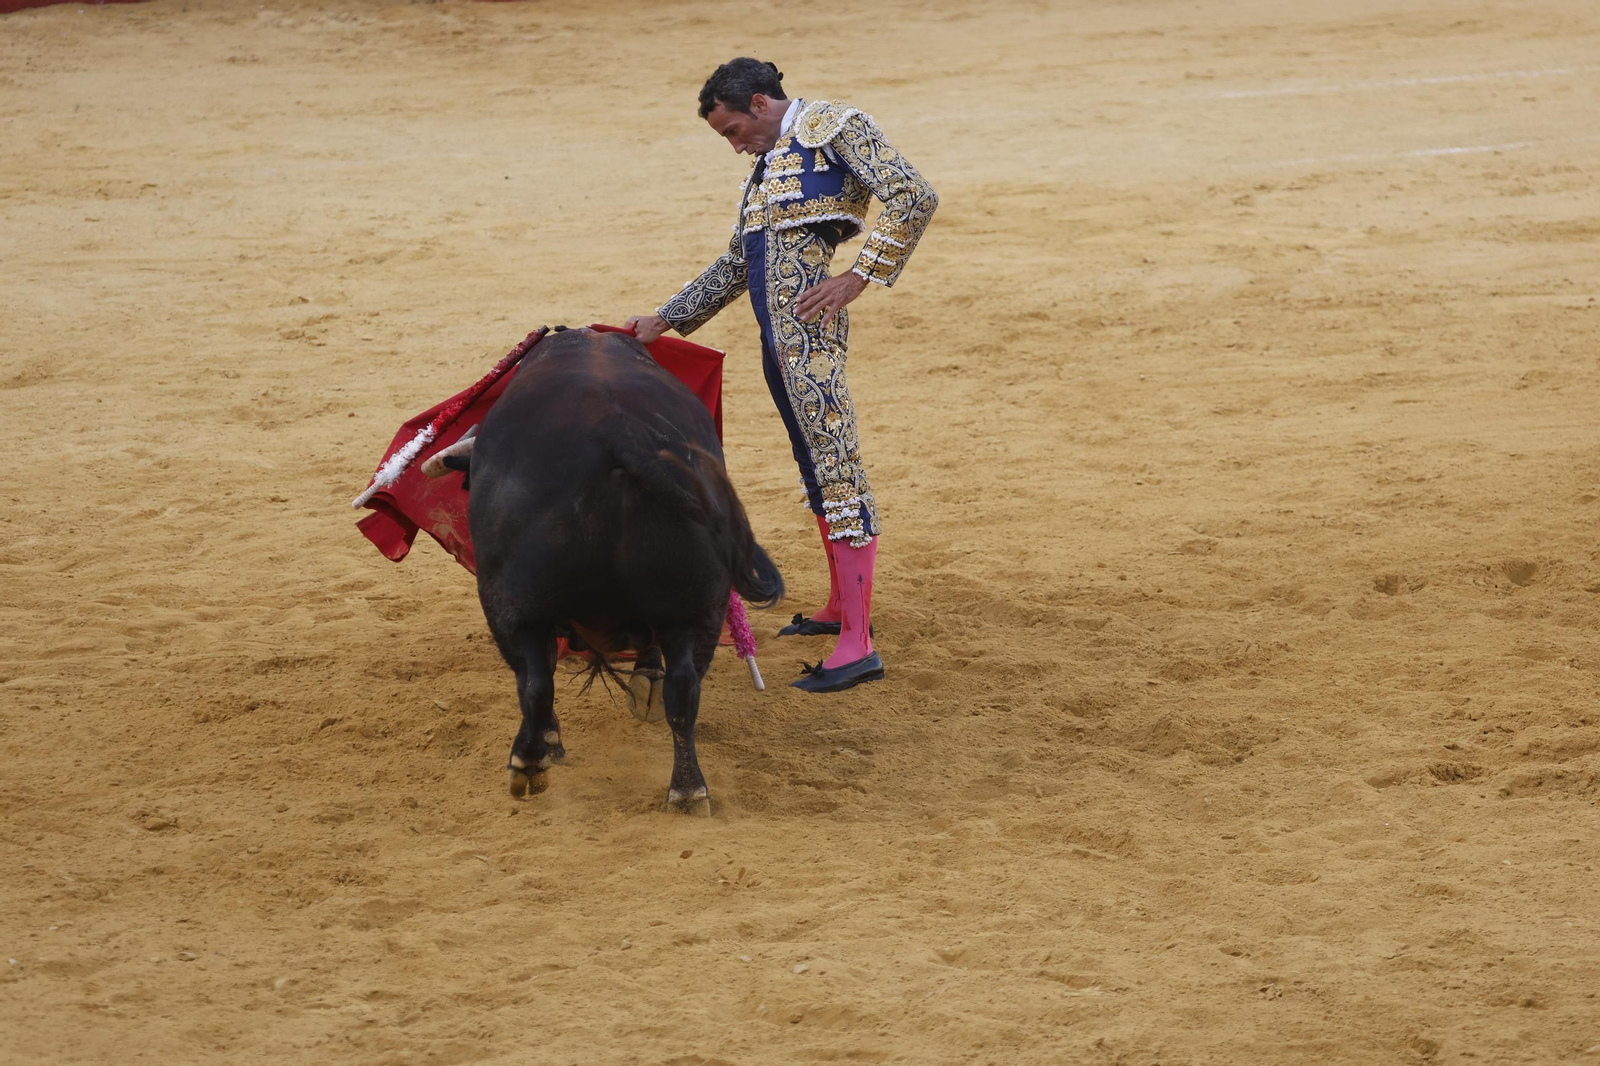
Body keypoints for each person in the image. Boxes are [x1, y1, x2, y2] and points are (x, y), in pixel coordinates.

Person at [627, 57, 937, 693]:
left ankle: (859, 643)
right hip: (779, 339)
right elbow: (741, 261)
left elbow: (913, 195)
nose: (736, 144)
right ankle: (838, 609)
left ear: (762, 104)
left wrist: (861, 274)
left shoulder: (836, 126)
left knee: (836, 466)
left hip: (811, 336)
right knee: (812, 464)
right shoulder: (767, 169)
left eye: (735, 130)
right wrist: (664, 318)